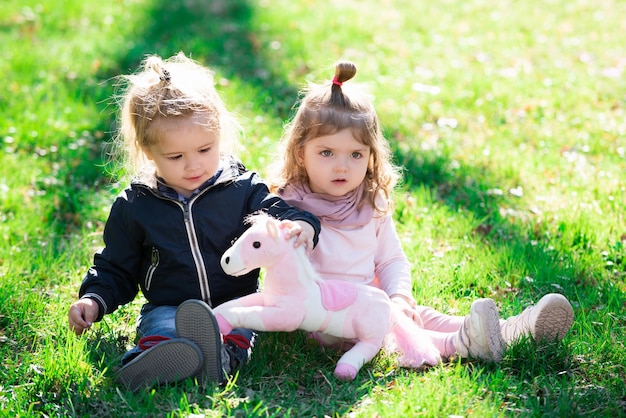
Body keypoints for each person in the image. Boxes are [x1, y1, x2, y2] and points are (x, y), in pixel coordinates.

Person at [271, 60, 574, 365]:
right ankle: (463, 344)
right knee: (394, 331)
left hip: (371, 304)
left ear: (371, 155)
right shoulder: (290, 209)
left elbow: (390, 259)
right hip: (325, 320)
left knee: (421, 316)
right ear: (301, 152)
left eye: (355, 154)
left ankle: (517, 328)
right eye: (326, 153)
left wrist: (399, 299)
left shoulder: (368, 203)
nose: (342, 166)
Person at [67, 52, 321, 391]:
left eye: (205, 149)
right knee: (164, 327)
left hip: (236, 303)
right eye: (176, 157)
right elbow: (117, 265)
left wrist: (301, 224)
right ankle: (156, 358)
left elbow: (276, 212)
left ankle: (220, 356)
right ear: (147, 151)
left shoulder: (241, 187)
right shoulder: (136, 205)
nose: (193, 166)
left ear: (219, 135)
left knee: (238, 329)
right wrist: (94, 299)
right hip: (170, 304)